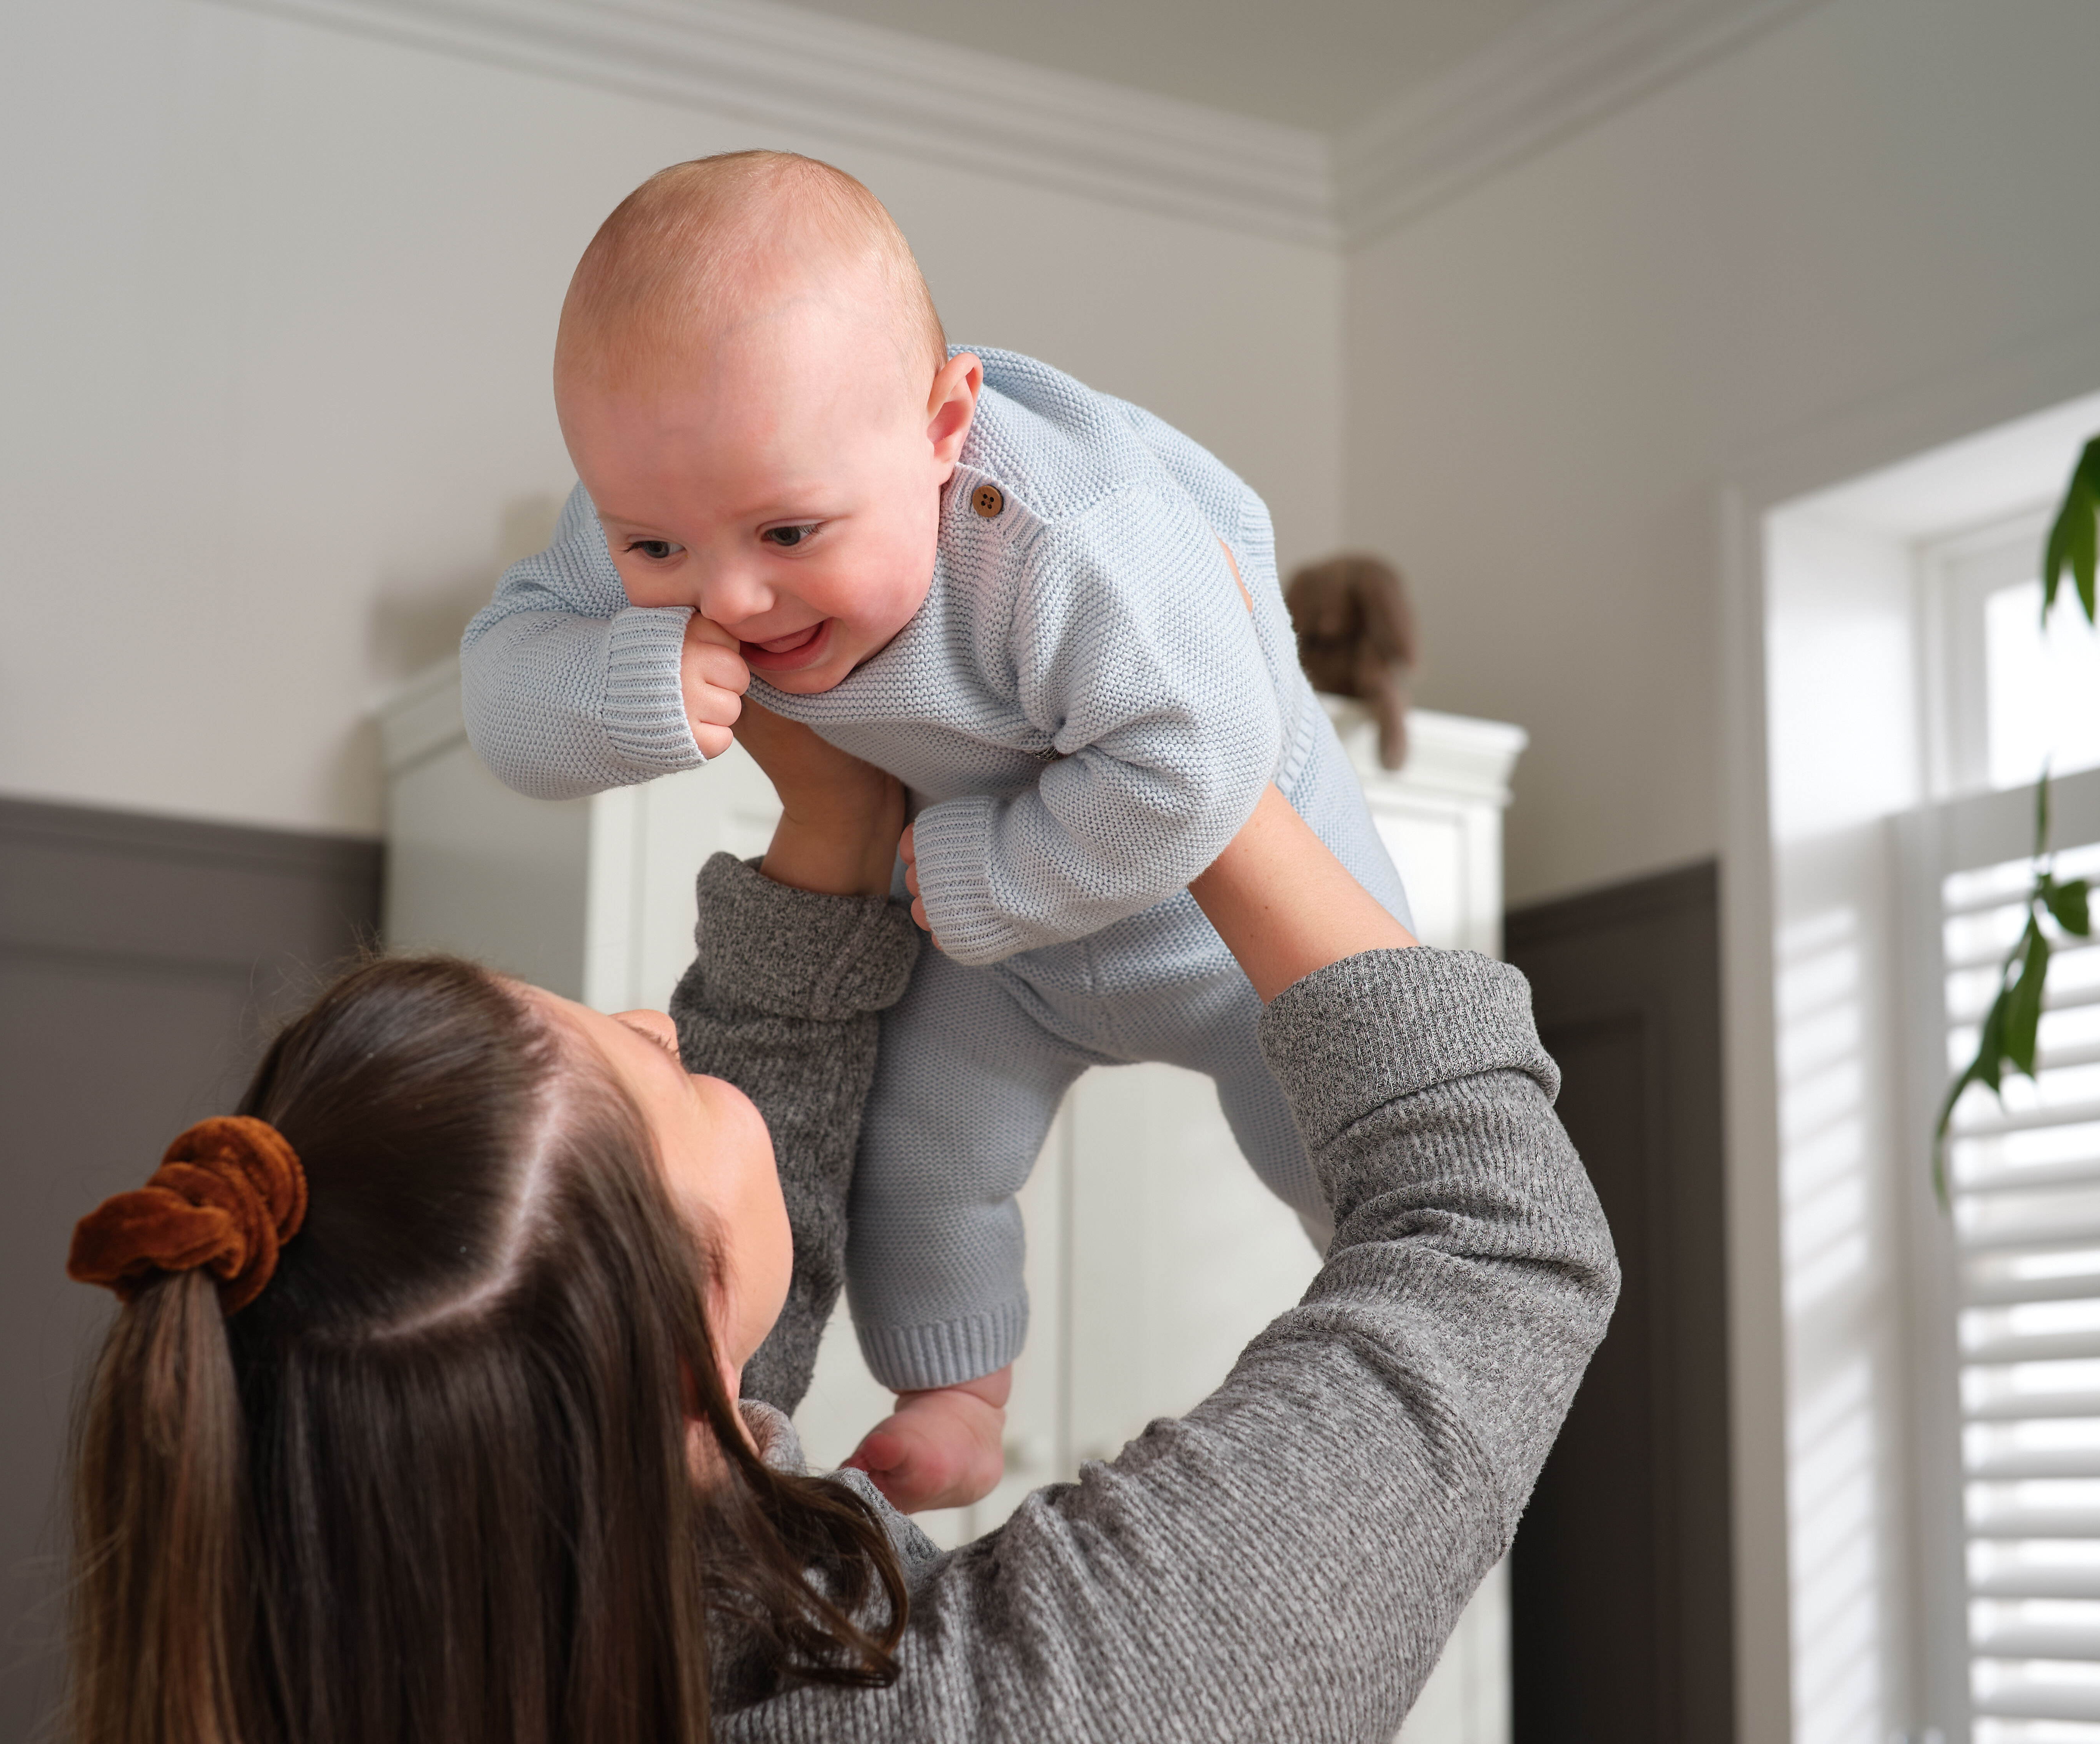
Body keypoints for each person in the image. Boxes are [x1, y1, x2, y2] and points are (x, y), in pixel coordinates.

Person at [62, 703, 1617, 1744]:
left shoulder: (425, 1621)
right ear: (678, 1378)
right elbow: (1495, 1245)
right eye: (655, 1069)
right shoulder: (1025, 1710)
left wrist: (831, 824)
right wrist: (1210, 784)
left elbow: (742, 1265)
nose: (662, 1024)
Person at [460, 149, 1416, 1508]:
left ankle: (1421, 1390)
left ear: (944, 424)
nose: (727, 594)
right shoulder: (685, 483)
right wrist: (627, 681)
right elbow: (500, 686)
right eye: (656, 552)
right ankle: (958, 1395)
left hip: (1225, 929)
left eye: (790, 530)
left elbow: (1201, 763)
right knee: (917, 1158)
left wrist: (980, 874)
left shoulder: (1065, 532)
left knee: (1360, 1149)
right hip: (1000, 960)